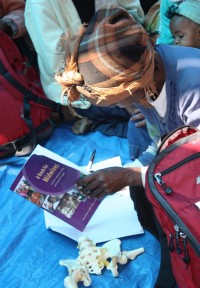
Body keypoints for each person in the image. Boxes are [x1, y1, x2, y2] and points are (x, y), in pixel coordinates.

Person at [56, 5, 200, 203]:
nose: (122, 107)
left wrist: (131, 177)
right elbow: (165, 141)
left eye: (120, 101)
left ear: (134, 85)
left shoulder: (193, 87)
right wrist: (130, 170)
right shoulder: (147, 74)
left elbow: (193, 164)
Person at [25, 0, 152, 159]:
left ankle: (105, 121)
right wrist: (121, 93)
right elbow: (60, 65)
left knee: (155, 100)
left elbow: (134, 15)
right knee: (143, 116)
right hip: (82, 86)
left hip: (126, 67)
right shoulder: (39, 4)